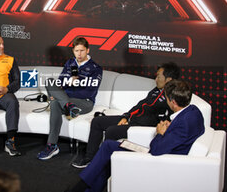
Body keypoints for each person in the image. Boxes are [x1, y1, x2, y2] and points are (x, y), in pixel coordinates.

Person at [67, 79, 205, 192]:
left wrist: (160, 133)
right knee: (110, 149)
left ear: (173, 102)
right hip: (164, 153)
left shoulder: (183, 124)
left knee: (109, 147)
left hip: (159, 160)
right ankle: (88, 188)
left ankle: (81, 186)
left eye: (167, 98)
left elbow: (156, 150)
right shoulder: (193, 112)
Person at [72, 62, 180, 168]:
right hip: (132, 119)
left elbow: (166, 121)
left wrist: (131, 121)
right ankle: (89, 158)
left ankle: (103, 164)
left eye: (159, 77)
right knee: (97, 122)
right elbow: (140, 105)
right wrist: (126, 116)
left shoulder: (173, 98)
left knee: (111, 131)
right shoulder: (156, 91)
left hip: (140, 126)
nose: (156, 79)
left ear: (169, 79)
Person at [37, 37, 103, 160]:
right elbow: (60, 82)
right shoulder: (69, 63)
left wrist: (76, 84)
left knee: (56, 102)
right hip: (68, 100)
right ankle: (52, 145)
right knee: (50, 82)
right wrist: (68, 83)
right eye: (76, 51)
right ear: (73, 51)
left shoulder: (96, 68)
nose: (79, 54)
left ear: (88, 50)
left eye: (82, 51)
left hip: (85, 103)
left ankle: (66, 106)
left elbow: (89, 92)